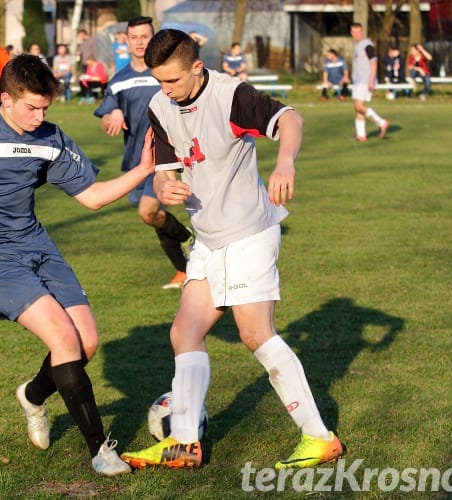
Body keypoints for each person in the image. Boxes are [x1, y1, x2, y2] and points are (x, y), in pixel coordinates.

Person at [0, 54, 156, 477]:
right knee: (63, 338)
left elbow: (92, 197)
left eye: (46, 108)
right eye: (31, 107)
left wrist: (144, 168)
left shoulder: (50, 138)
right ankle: (100, 450)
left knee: (87, 343)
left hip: (36, 245)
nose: (39, 116)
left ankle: (34, 395)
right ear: (5, 99)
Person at [119, 28, 344, 471]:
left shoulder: (231, 95)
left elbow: (291, 119)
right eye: (159, 81)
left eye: (174, 81)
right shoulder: (159, 105)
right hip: (209, 238)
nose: (166, 90)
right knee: (185, 332)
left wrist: (285, 161)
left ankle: (320, 438)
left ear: (197, 68)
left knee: (255, 333)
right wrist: (165, 188)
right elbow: (165, 172)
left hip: (249, 232)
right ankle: (184, 443)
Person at [94, 16, 193, 290]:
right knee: (153, 215)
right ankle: (184, 269)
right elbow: (105, 118)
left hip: (168, 157)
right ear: (126, 40)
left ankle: (187, 239)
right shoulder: (118, 81)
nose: (140, 42)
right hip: (137, 162)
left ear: (153, 38)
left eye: (145, 36)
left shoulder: (164, 73)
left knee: (148, 211)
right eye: (134, 37)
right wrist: (112, 113)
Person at [350, 22, 389, 141]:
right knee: (357, 108)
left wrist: (371, 80)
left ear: (362, 31)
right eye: (354, 32)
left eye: (358, 32)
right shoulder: (357, 45)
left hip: (365, 80)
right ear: (351, 33)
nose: (356, 34)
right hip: (357, 80)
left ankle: (381, 122)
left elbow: (373, 62)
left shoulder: (367, 45)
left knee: (359, 106)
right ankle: (361, 135)